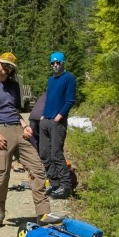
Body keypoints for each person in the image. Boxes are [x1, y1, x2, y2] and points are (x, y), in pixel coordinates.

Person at [0, 52, 63, 228]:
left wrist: (25, 125)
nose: (6, 69)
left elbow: (13, 110)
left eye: (10, 67)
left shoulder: (13, 86)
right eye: (5, 65)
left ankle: (43, 213)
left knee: (37, 168)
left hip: (18, 129)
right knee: (3, 173)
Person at [39, 52, 76, 199]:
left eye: (57, 63)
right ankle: (54, 183)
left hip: (57, 121)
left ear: (63, 63)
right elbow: (48, 99)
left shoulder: (69, 78)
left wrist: (59, 116)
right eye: (52, 63)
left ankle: (65, 186)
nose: (55, 65)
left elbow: (70, 100)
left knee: (56, 153)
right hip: (46, 120)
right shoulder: (51, 79)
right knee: (44, 153)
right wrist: (43, 115)